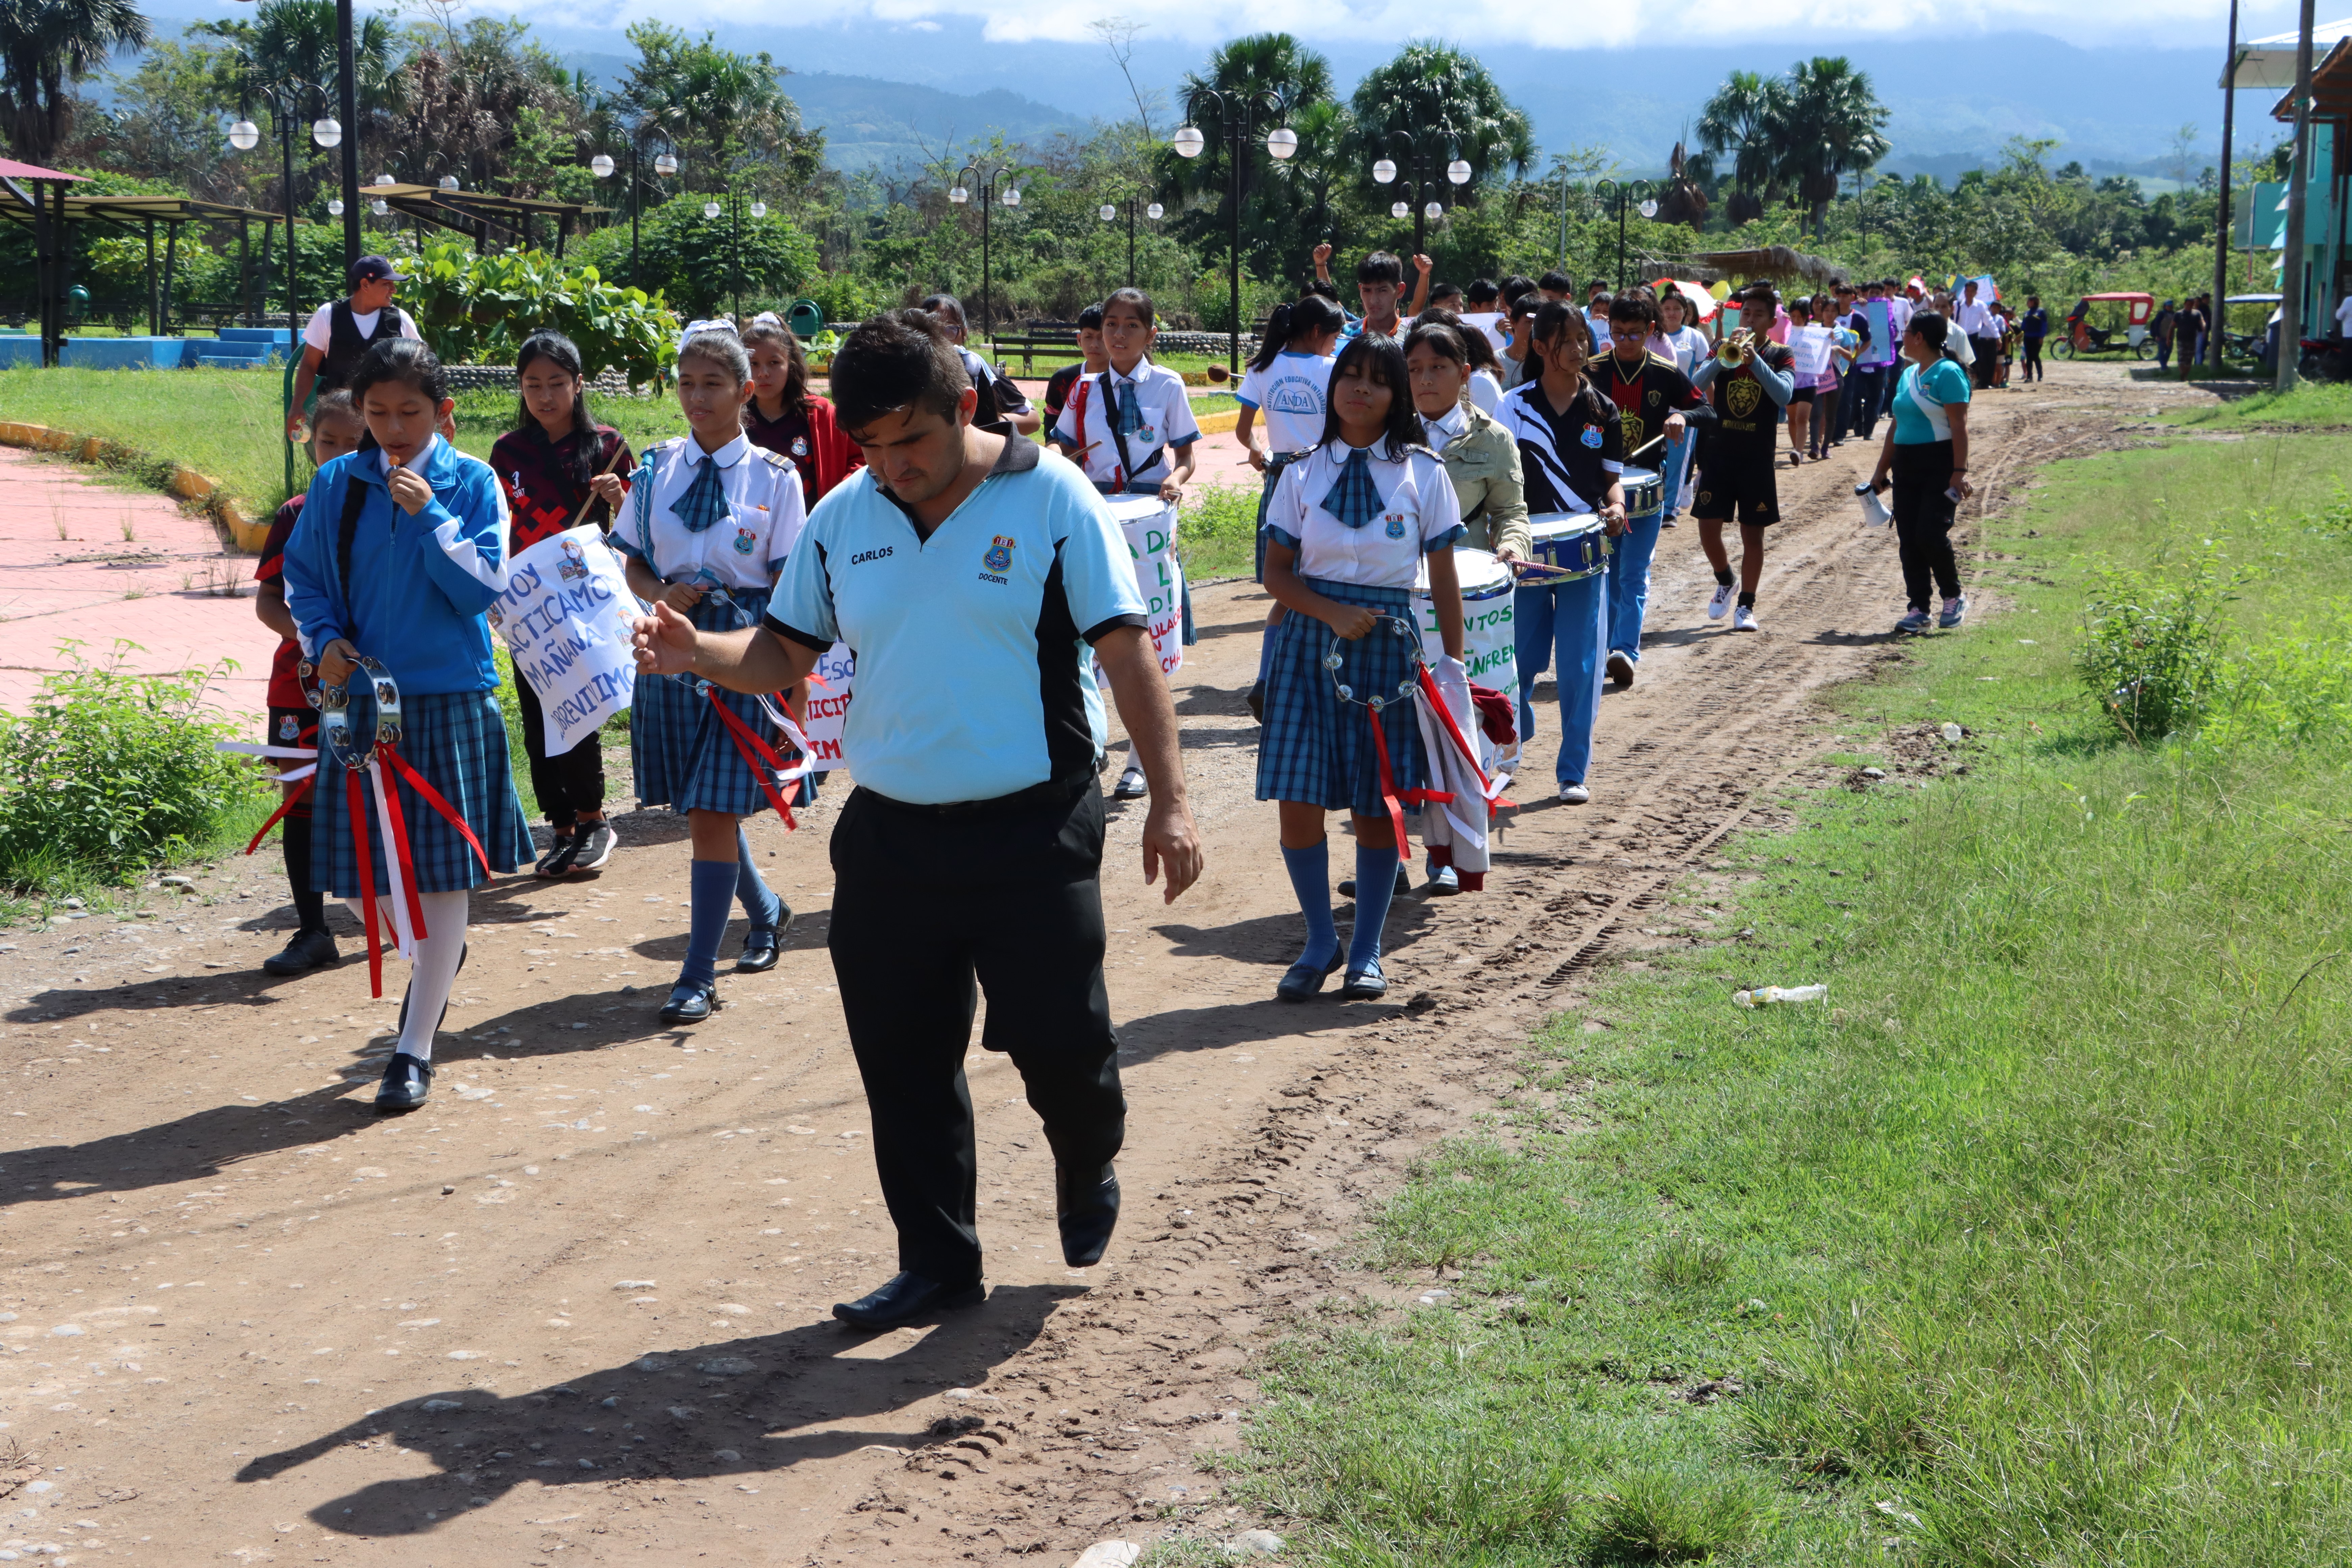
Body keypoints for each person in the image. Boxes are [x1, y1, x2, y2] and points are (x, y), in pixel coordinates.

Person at [630, 308, 1202, 1331]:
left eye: (914, 442)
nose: (895, 466)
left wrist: (1171, 797)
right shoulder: (845, 517)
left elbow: (1125, 652)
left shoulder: (1050, 496)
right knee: (901, 1058)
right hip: (893, 830)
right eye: (875, 447)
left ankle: (1087, 1152)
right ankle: (938, 1260)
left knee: (1060, 1043)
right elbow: (780, 658)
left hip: (1035, 821)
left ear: (964, 408)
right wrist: (695, 650)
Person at [281, 339, 535, 1112]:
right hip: (358, 701)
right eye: (377, 412)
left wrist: (430, 518)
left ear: (443, 413)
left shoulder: (472, 481)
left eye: (410, 413)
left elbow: (479, 591)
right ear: (358, 411)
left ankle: (413, 1048)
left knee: (441, 872)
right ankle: (431, 966)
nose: (392, 428)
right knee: (358, 877)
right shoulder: (337, 483)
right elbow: (304, 578)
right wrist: (322, 643)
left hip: (450, 695)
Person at [1259, 332, 1464, 999]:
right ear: (1333, 386)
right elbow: (1277, 576)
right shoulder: (1299, 472)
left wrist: (1455, 668)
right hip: (1306, 650)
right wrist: (1327, 613)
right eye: (1351, 375)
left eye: (1378, 379)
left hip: (1387, 654)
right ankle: (1320, 940)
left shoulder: (1425, 474)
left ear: (1396, 394)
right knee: (1299, 801)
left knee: (1379, 807)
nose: (1361, 389)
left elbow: (1443, 581)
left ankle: (1368, 951)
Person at [614, 324, 808, 1024]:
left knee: (712, 810)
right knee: (704, 808)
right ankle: (767, 911)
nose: (697, 398)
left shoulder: (779, 478)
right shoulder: (654, 470)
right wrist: (658, 592)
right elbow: (631, 560)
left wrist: (794, 685)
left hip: (743, 653)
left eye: (713, 384)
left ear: (746, 391)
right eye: (687, 383)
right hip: (668, 651)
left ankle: (696, 976)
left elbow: (792, 589)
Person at [489, 331, 634, 878]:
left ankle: (595, 819)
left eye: (556, 384)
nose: (545, 396)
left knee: (580, 710)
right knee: (536, 716)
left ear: (578, 385)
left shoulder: (608, 447)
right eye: (533, 385)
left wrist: (621, 498)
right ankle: (562, 828)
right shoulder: (508, 453)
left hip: (584, 606)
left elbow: (639, 527)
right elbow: (495, 525)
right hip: (529, 611)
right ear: (521, 389)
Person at [251, 391, 368, 976]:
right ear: (309, 442)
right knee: (300, 799)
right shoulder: (296, 513)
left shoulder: (392, 507)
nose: (342, 454)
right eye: (330, 443)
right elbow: (269, 602)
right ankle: (313, 930)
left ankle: (401, 917)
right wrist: (312, 643)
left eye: (357, 442)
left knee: (378, 790)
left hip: (376, 683)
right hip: (300, 687)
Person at [1502, 302, 1627, 805]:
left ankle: (1572, 770)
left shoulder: (1604, 410)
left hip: (1585, 555)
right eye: (1567, 341)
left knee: (1580, 665)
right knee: (1518, 662)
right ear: (1539, 347)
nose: (1579, 348)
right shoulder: (1512, 407)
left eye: (1583, 338)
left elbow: (1613, 482)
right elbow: (1498, 486)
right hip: (1525, 553)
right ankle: (1513, 735)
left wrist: (1616, 510)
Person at [1234, 295, 1346, 723]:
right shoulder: (1334, 369)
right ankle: (1306, 681)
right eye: (1334, 336)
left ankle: (1268, 677)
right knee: (1322, 581)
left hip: (1280, 479)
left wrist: (1260, 450)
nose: (1336, 345)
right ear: (1318, 333)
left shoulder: (1261, 369)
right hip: (1325, 480)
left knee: (1285, 584)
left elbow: (1246, 433)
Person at [1598, 294, 1705, 688]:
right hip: (1602, 490)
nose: (1625, 342)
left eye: (1635, 335)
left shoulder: (1664, 371)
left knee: (1633, 573)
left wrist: (1681, 414)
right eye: (1618, 333)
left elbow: (1704, 408)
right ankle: (1608, 646)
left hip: (1646, 487)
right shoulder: (1592, 371)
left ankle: (1625, 649)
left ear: (1651, 332)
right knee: (1608, 572)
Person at [1687, 284, 1795, 633]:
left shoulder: (1782, 353)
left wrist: (1756, 361)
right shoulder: (1722, 347)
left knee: (1753, 535)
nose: (1749, 319)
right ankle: (1726, 579)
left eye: (1757, 314)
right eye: (1746, 312)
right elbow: (1695, 385)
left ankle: (1746, 605)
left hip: (1757, 457)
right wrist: (1722, 358)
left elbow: (1783, 395)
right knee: (1707, 530)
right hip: (1719, 452)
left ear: (1771, 320)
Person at [1866, 308, 1971, 634]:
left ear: (1920, 337)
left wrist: (1959, 471)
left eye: (1907, 332)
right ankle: (1918, 608)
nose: (1903, 338)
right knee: (1909, 538)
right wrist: (1881, 470)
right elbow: (1896, 427)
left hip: (1940, 464)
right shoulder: (1908, 374)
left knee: (1930, 533)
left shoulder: (1949, 373)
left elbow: (1960, 427)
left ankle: (1953, 596)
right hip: (1907, 466)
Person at [285, 255, 424, 440]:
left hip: (386, 418)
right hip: (338, 415)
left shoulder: (399, 320)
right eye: (387, 284)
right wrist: (297, 406)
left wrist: (442, 412)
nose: (394, 290)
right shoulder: (328, 315)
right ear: (365, 284)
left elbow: (422, 366)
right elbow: (309, 365)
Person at [742, 317, 864, 505]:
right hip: (751, 531)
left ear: (791, 364)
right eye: (754, 363)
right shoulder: (735, 419)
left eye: (774, 363)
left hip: (813, 529)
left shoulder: (820, 414)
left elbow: (860, 458)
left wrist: (837, 500)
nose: (763, 373)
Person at [917, 292, 1040, 436]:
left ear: (964, 334)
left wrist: (990, 422)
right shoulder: (910, 375)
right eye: (933, 330)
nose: (942, 338)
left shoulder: (985, 374)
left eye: (951, 330)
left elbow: (1033, 419)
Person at [1654, 290, 1710, 526]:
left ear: (1686, 313)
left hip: (1682, 410)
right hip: (1655, 407)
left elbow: (1707, 374)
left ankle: (1670, 510)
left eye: (1677, 309)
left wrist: (1707, 410)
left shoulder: (1695, 338)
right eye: (1667, 308)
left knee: (1679, 460)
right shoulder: (1652, 336)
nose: (1672, 313)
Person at [1314, 245, 1430, 340]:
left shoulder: (1414, 337)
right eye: (1367, 290)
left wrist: (1425, 275)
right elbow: (1331, 303)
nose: (1374, 300)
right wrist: (1321, 265)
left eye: (1382, 291)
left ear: (1400, 290)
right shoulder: (1346, 335)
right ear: (1360, 290)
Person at [1042, 304, 1107, 433]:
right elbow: (1053, 418)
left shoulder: (1125, 379)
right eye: (1089, 337)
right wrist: (1053, 444)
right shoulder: (1062, 380)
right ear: (1079, 340)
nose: (1094, 345)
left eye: (1102, 338)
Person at [1784, 296, 1829, 466]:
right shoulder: (1787, 331)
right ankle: (1796, 447)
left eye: (1799, 317)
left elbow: (1826, 344)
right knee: (1792, 419)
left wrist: (1830, 336)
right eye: (1793, 316)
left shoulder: (1816, 331)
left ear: (1806, 316)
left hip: (1809, 381)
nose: (1796, 320)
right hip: (1790, 380)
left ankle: (1799, 451)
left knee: (1803, 418)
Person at [1953, 280, 1999, 392]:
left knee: (1974, 362)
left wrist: (1997, 336)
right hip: (1960, 337)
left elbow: (1989, 322)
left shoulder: (1981, 306)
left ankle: (1971, 383)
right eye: (1967, 291)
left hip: (1974, 337)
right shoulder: (1957, 305)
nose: (1968, 293)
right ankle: (1960, 383)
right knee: (1958, 360)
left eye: (1971, 291)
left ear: (1976, 293)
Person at [2019, 295, 2049, 384]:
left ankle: (2040, 375)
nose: (2027, 303)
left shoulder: (2041, 312)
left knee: (2035, 356)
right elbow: (2023, 326)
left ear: (2033, 302)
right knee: (2029, 357)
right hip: (2027, 337)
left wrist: (2042, 336)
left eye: (2029, 302)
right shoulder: (2026, 313)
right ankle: (2030, 377)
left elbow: (2044, 325)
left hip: (2037, 337)